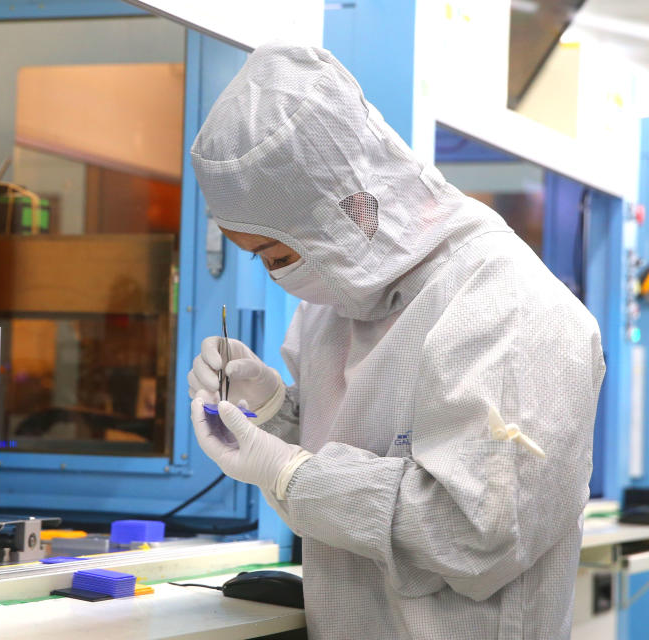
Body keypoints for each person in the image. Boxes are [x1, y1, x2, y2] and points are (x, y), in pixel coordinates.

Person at [186, 44, 605, 639]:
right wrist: (275, 418)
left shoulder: (507, 305)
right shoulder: (331, 311)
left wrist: (289, 473)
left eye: (278, 254)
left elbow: (474, 540)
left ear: (347, 211)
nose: (274, 275)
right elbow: (346, 496)